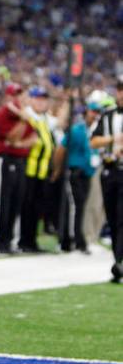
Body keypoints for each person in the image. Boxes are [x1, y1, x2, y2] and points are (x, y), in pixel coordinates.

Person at [0, 83, 37, 255]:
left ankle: (10, 241)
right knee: (3, 202)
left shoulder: (24, 116)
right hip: (5, 160)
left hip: (20, 160)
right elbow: (11, 137)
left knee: (16, 202)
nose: (20, 99)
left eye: (21, 95)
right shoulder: (2, 115)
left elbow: (33, 138)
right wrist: (22, 121)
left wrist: (19, 143)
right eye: (16, 95)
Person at [56, 98, 101, 254]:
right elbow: (61, 149)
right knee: (75, 207)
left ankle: (79, 240)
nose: (95, 115)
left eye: (97, 112)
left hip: (87, 173)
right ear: (86, 112)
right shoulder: (77, 130)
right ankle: (71, 240)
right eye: (93, 111)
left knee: (81, 207)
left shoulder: (93, 131)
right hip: (75, 172)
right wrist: (57, 170)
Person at [90, 78, 123, 283]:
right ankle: (117, 261)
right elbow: (93, 141)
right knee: (112, 217)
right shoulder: (108, 116)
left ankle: (119, 261)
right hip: (109, 171)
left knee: (121, 218)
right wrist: (114, 139)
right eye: (120, 90)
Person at [18, 87, 57, 253]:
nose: (42, 102)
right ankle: (23, 241)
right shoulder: (27, 115)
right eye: (38, 98)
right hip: (28, 169)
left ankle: (31, 241)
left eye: (44, 99)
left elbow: (59, 121)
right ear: (31, 100)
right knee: (26, 207)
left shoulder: (44, 118)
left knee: (36, 208)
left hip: (41, 170)